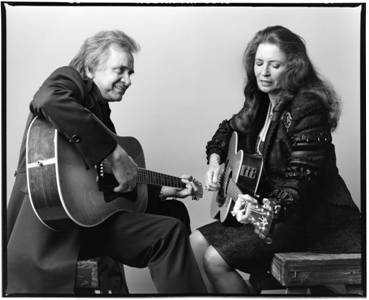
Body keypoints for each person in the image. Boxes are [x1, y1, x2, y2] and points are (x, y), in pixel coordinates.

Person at [7, 30, 207, 295]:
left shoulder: (100, 111)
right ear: (90, 68)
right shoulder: (69, 80)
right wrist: (113, 151)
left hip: (87, 221)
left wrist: (165, 189)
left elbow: (104, 188)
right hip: (53, 228)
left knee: (174, 215)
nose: (128, 80)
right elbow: (47, 99)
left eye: (131, 73)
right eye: (120, 70)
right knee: (168, 232)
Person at [190, 25, 362, 294]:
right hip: (275, 213)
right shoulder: (260, 102)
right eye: (259, 63)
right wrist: (214, 162)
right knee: (194, 243)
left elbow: (299, 182)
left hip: (314, 218)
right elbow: (225, 131)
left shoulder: (307, 107)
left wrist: (264, 207)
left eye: (275, 65)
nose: (264, 72)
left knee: (214, 260)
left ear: (293, 68)